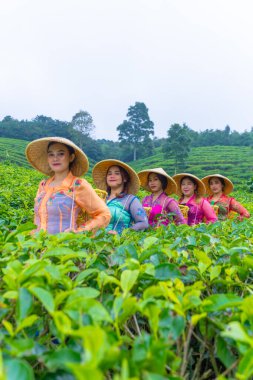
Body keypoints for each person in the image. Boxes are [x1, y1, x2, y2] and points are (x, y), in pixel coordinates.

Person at [25, 137, 111, 234]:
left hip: (63, 246)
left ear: (71, 157)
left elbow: (104, 214)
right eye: (51, 154)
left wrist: (79, 232)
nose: (55, 158)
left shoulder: (78, 185)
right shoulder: (43, 185)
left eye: (61, 154)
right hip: (36, 245)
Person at [92, 159, 149, 234]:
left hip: (118, 243)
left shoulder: (131, 200)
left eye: (117, 173)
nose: (112, 176)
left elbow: (143, 224)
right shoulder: (101, 198)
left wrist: (121, 233)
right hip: (96, 241)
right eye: (109, 174)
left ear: (125, 178)